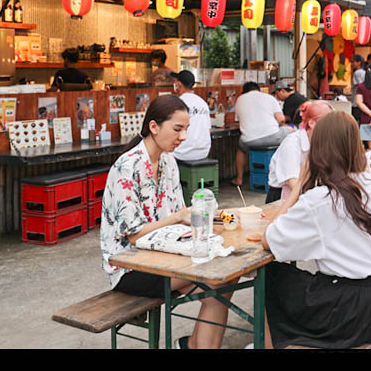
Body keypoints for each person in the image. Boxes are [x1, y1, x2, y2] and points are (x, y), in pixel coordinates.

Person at [262, 111, 371, 349]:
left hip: (351, 312)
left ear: (318, 150)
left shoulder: (320, 200)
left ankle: (268, 345)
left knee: (271, 276)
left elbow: (269, 240)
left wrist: (298, 186)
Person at [101, 95, 233, 349]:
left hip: (165, 255)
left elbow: (180, 213)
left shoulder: (169, 161)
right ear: (154, 127)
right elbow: (135, 236)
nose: (183, 137)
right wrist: (179, 217)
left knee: (223, 286)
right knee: (218, 279)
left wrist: (212, 216)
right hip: (130, 267)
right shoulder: (127, 167)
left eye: (186, 129)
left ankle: (194, 345)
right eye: (177, 129)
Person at [265, 100, 334, 204]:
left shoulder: (321, 141)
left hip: (306, 194)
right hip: (282, 197)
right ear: (311, 123)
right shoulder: (292, 143)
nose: (331, 128)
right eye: (327, 123)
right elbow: (293, 183)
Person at [233, 82, 292, 187]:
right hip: (272, 137)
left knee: (240, 149)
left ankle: (239, 179)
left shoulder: (239, 99)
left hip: (249, 141)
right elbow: (281, 120)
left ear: (244, 91)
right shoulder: (269, 98)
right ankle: (290, 174)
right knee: (293, 131)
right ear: (258, 89)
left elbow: (239, 121)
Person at [170, 70, 211, 162]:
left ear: (179, 84)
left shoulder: (178, 102)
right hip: (203, 152)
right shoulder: (202, 103)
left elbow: (171, 130)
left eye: (175, 81)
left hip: (181, 154)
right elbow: (209, 129)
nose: (174, 84)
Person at [350, 54, 366, 124]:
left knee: (354, 122)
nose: (352, 64)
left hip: (356, 102)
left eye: (353, 62)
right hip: (363, 101)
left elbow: (360, 85)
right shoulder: (364, 72)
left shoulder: (357, 73)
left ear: (359, 62)